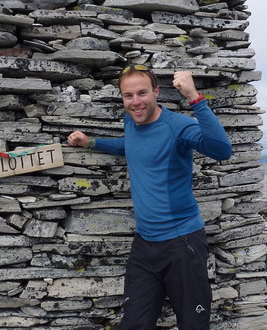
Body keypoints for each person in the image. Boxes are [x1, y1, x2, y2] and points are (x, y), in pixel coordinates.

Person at [67, 66, 232, 330]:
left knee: (193, 324)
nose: (135, 102)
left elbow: (222, 150)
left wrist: (194, 97)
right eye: (128, 95)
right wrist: (92, 143)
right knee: (134, 324)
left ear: (156, 92)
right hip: (144, 245)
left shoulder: (178, 126)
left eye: (142, 93)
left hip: (182, 244)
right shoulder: (131, 120)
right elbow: (132, 146)